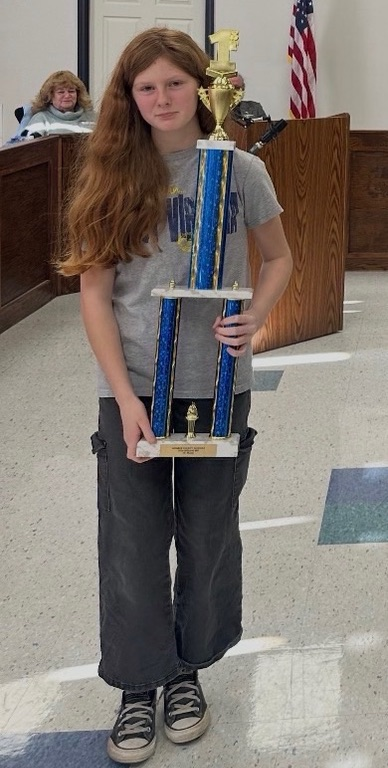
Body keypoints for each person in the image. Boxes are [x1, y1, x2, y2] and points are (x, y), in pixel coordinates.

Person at [58, 26, 292, 765]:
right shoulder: (110, 174)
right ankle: (138, 681)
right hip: (132, 388)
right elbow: (94, 296)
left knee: (207, 531)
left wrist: (256, 316)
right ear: (128, 96)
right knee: (131, 542)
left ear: (203, 87)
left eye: (176, 83)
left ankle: (187, 671)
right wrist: (124, 399)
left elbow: (280, 258)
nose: (162, 99)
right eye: (146, 87)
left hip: (218, 387)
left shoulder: (240, 169)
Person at [22, 70, 95, 138]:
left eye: (71, 91)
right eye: (61, 92)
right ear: (50, 97)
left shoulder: (93, 117)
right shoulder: (41, 119)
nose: (67, 96)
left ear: (78, 94)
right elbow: (31, 145)